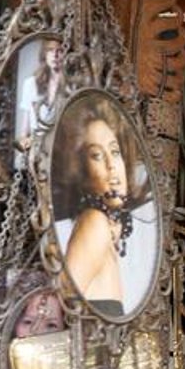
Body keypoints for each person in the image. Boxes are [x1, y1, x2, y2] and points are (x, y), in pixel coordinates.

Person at [52, 97, 148, 315]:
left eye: (115, 152)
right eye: (96, 155)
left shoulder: (102, 223)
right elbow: (61, 304)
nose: (111, 166)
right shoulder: (95, 221)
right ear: (82, 171)